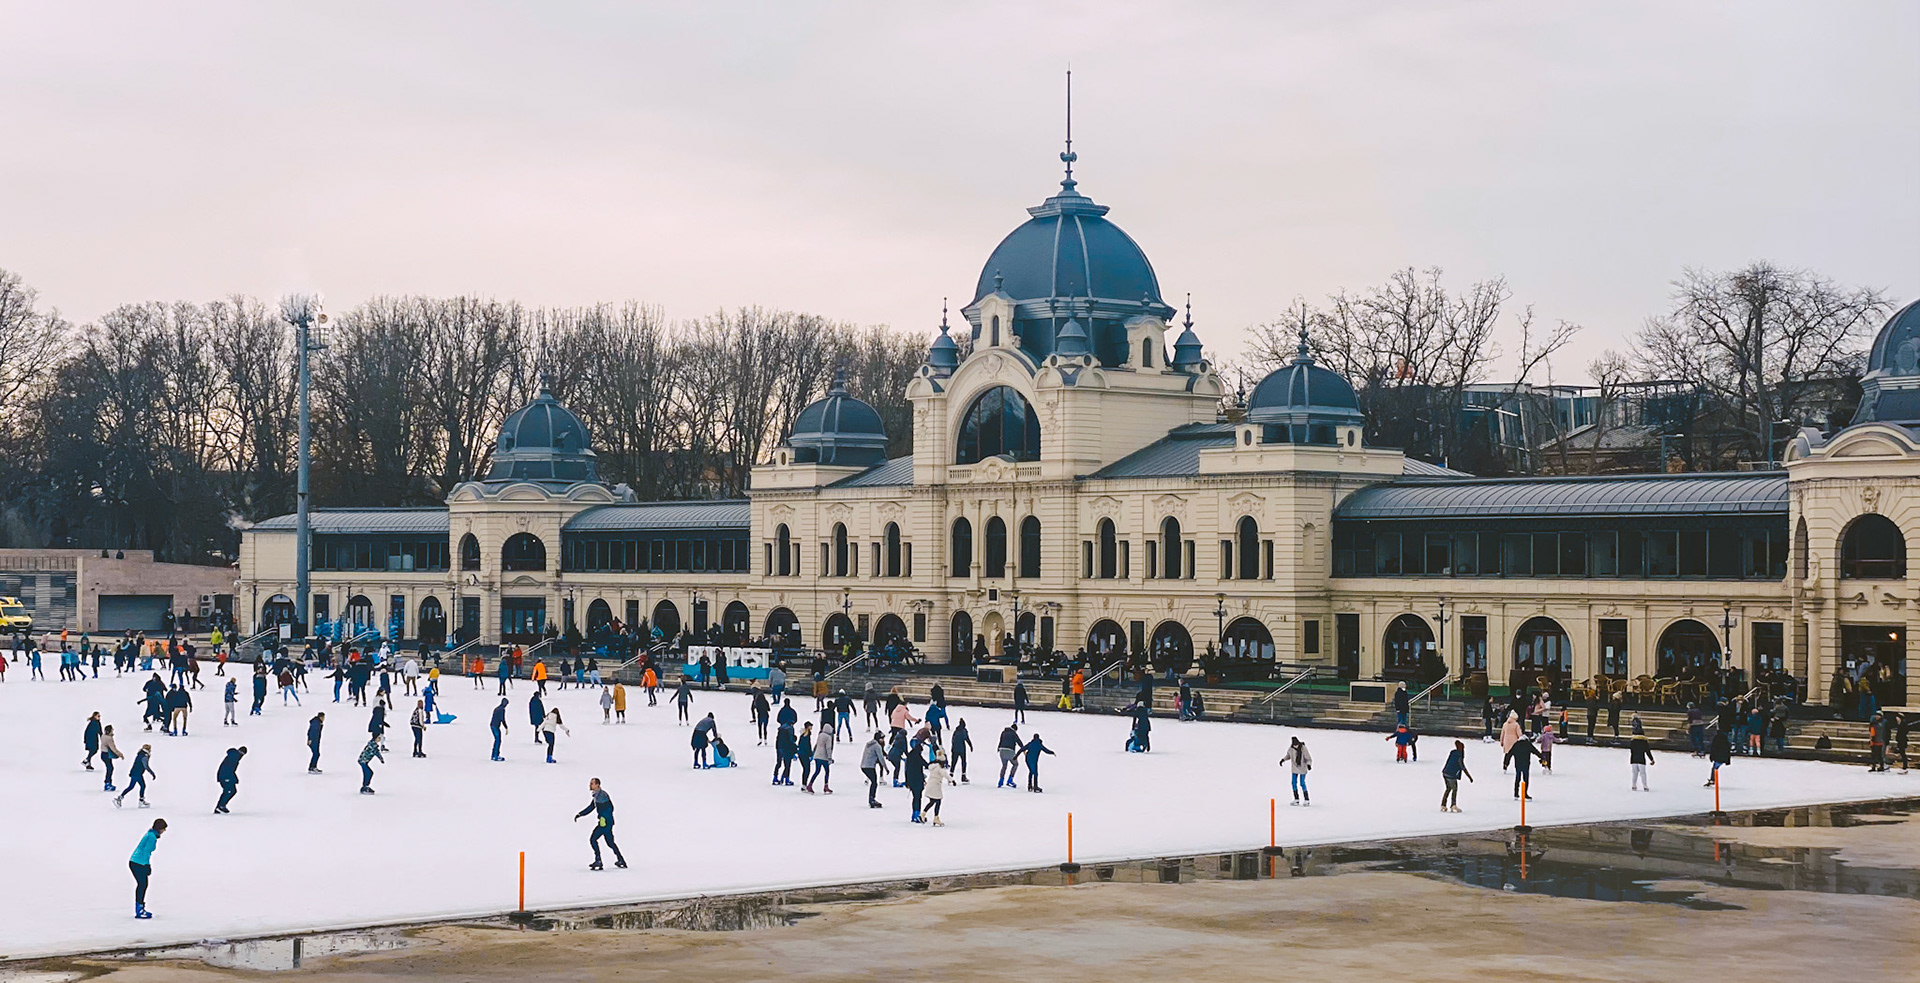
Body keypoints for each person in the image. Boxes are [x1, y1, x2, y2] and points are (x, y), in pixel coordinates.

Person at [575, 778, 627, 870]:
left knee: (593, 839)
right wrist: (580, 814)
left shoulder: (602, 795)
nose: (590, 785)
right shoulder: (597, 796)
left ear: (597, 785)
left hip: (605, 823)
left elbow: (610, 808)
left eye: (592, 784)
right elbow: (591, 807)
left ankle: (598, 860)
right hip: (607, 822)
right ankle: (621, 860)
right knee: (610, 842)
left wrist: (604, 818)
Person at [129, 818, 166, 919]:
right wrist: (147, 865)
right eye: (163, 828)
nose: (164, 831)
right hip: (138, 863)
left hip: (137, 862)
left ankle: (140, 908)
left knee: (143, 885)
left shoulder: (151, 834)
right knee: (142, 885)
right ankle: (139, 909)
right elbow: (146, 852)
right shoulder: (151, 837)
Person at [1440, 739, 1473, 812]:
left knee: (1448, 788)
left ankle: (1443, 804)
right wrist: (1469, 777)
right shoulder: (1459, 756)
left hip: (1445, 772)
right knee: (1454, 789)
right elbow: (1462, 767)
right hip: (1451, 774)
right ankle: (1453, 805)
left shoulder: (1453, 753)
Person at [214, 746, 247, 814]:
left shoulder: (234, 756)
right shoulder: (234, 757)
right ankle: (221, 806)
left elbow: (230, 769)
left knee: (230, 791)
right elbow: (227, 768)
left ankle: (220, 806)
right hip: (225, 776)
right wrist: (227, 778)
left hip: (226, 776)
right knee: (230, 791)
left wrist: (234, 778)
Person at [1504, 734, 1538, 799]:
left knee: (1518, 778)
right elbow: (1535, 751)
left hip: (1518, 764)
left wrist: (1506, 763)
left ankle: (1516, 794)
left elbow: (1509, 754)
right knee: (1526, 779)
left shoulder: (1516, 744)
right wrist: (1542, 757)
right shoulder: (1528, 744)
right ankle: (1525, 793)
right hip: (1526, 764)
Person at [810, 721, 836, 794]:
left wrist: (813, 753)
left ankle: (810, 784)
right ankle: (826, 786)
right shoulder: (828, 737)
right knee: (827, 772)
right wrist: (830, 758)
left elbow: (816, 745)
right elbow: (828, 748)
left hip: (817, 756)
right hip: (824, 757)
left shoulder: (820, 735)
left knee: (817, 771)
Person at [860, 731, 885, 807]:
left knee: (874, 782)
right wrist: (886, 768)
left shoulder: (869, 744)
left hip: (864, 765)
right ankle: (871, 799)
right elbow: (881, 758)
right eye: (881, 738)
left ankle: (872, 799)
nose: (883, 740)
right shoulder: (877, 746)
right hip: (869, 766)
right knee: (874, 782)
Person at [1285, 736, 1311, 805]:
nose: (1295, 746)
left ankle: (1306, 799)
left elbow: (1308, 758)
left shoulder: (1303, 748)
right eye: (1294, 745)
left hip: (1302, 768)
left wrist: (1309, 764)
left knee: (1302, 783)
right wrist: (1283, 759)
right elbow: (1288, 755)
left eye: (1296, 745)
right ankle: (1296, 799)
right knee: (1293, 783)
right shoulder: (1291, 749)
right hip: (1294, 768)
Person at [996, 723, 1022, 788]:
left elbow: (1000, 740)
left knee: (1004, 766)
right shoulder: (1014, 733)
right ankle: (1010, 779)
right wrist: (1023, 749)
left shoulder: (1003, 732)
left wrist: (998, 748)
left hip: (1002, 750)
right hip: (1010, 751)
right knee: (1015, 764)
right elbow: (1018, 741)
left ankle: (1001, 780)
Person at [949, 718, 972, 784]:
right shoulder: (964, 731)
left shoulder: (956, 731)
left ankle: (950, 776)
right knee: (963, 762)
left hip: (954, 749)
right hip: (962, 749)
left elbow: (952, 739)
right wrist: (970, 745)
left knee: (953, 762)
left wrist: (952, 747)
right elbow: (967, 739)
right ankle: (963, 776)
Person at [100, 724, 123, 791]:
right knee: (110, 768)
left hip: (103, 754)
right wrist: (120, 754)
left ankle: (108, 782)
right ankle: (107, 783)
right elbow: (113, 748)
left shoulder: (103, 736)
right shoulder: (109, 738)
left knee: (110, 768)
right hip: (107, 754)